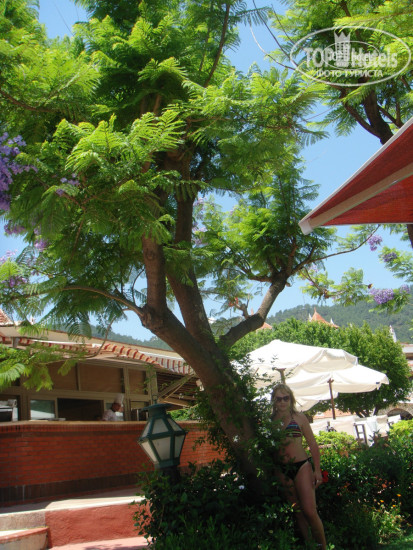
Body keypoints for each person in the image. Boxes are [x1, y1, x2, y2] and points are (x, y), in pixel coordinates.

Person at [271, 383, 327, 549]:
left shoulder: (299, 418)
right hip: (282, 469)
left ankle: (323, 547)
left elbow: (313, 445)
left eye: (285, 398)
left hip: (301, 466)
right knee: (298, 512)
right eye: (278, 399)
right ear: (273, 400)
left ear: (291, 399)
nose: (282, 402)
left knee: (310, 511)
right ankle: (310, 545)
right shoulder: (270, 422)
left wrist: (317, 470)